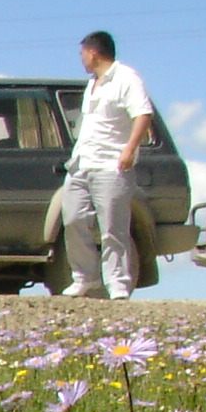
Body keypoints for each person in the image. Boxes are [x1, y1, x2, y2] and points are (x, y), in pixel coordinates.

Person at [61, 30, 155, 299]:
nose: (81, 59)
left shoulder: (126, 78)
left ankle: (117, 283)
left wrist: (129, 149)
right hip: (81, 164)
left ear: (93, 53)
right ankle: (85, 277)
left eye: (82, 54)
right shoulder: (92, 84)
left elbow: (143, 113)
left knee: (113, 228)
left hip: (111, 166)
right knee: (73, 219)